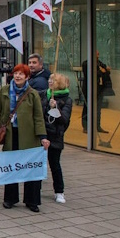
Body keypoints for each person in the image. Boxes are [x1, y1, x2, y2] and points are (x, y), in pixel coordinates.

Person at [0, 64, 50, 213]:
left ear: (27, 77)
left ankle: (32, 200)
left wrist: (43, 137)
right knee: (11, 167)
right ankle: (10, 198)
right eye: (15, 73)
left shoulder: (32, 94)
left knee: (30, 168)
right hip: (10, 135)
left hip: (29, 137)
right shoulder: (4, 91)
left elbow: (38, 117)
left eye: (21, 74)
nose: (17, 76)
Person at [43, 73, 72, 204]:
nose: (49, 82)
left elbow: (64, 119)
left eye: (53, 80)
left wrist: (55, 108)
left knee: (55, 164)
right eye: (49, 79)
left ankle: (59, 191)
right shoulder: (44, 94)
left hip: (55, 136)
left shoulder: (67, 100)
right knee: (38, 163)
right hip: (43, 134)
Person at [81, 50, 111, 133]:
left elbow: (106, 71)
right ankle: (86, 126)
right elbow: (91, 74)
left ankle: (97, 126)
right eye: (96, 53)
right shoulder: (86, 64)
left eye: (98, 53)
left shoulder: (100, 63)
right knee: (87, 107)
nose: (98, 54)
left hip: (99, 89)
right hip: (89, 89)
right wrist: (101, 71)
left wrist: (105, 70)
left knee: (98, 109)